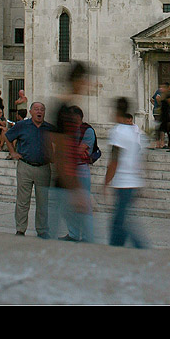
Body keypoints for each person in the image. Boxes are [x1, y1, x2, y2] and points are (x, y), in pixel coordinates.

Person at [49, 62, 95, 241]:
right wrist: (76, 190)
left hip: (68, 185)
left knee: (88, 235)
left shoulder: (67, 109)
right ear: (78, 81)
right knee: (89, 236)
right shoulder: (64, 111)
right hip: (65, 187)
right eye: (86, 80)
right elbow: (61, 152)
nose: (89, 85)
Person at [4, 101, 53, 238]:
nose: (39, 111)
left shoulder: (49, 128)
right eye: (36, 109)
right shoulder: (22, 126)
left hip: (43, 167)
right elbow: (7, 137)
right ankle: (20, 229)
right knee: (22, 201)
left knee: (43, 201)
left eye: (42, 109)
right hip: (25, 166)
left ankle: (42, 230)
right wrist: (13, 152)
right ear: (31, 112)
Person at [105, 96, 147, 248]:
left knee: (119, 222)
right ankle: (120, 249)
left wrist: (105, 182)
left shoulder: (118, 131)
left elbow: (114, 160)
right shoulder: (136, 133)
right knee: (121, 220)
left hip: (123, 182)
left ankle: (140, 248)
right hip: (133, 182)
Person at [58, 105, 96, 242]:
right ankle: (73, 234)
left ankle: (87, 237)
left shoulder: (88, 131)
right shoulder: (69, 131)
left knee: (84, 205)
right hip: (70, 168)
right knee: (67, 205)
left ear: (78, 117)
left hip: (81, 169)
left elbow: (79, 151)